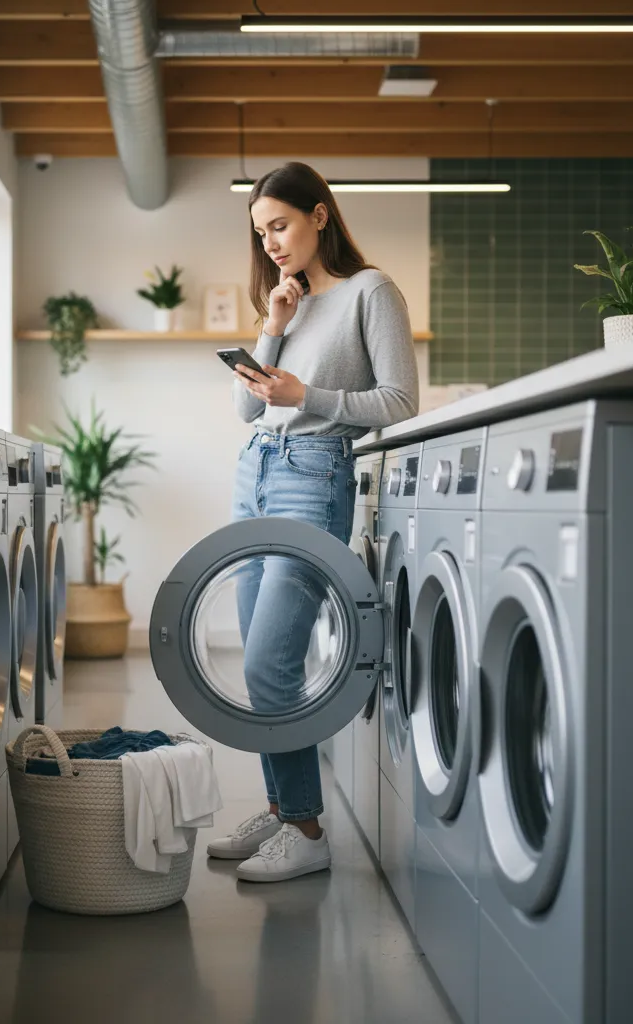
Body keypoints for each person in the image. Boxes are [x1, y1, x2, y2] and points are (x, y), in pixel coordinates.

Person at [205, 162, 419, 883]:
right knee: (259, 658)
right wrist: (272, 327)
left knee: (270, 663)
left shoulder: (371, 291)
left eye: (281, 225)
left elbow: (399, 402)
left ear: (320, 216)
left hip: (316, 474)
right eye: (261, 231)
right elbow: (245, 410)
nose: (270, 242)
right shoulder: (285, 304)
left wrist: (311, 394)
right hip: (256, 470)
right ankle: (281, 802)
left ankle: (306, 829)